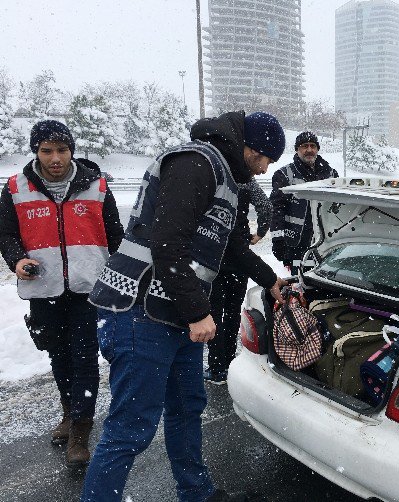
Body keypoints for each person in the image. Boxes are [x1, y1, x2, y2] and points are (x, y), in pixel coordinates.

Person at [82, 111, 287, 502]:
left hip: (174, 311)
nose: (262, 170)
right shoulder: (196, 162)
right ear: (249, 147)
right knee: (131, 428)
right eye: (263, 159)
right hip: (140, 308)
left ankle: (197, 493)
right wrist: (198, 312)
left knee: (186, 408)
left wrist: (270, 280)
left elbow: (232, 247)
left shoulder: (225, 179)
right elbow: (167, 244)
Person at [0, 120, 124, 467]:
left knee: (84, 359)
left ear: (72, 151)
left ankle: (81, 436)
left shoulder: (97, 186)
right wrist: (17, 259)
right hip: (44, 290)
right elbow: (6, 234)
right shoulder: (16, 188)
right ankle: (70, 414)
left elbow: (116, 235)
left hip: (89, 291)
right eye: (47, 150)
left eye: (62, 150)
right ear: (36, 152)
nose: (56, 158)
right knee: (58, 356)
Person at [205, 177, 272, 384]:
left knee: (215, 311)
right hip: (240, 255)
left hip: (214, 253)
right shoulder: (246, 181)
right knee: (233, 311)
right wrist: (260, 232)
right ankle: (228, 361)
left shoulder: (214, 175)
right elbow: (265, 206)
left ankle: (217, 368)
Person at [270, 131, 338, 275]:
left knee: (326, 281)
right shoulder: (284, 174)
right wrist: (278, 240)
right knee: (301, 279)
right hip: (297, 244)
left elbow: (338, 208)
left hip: (325, 242)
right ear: (297, 149)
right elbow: (276, 209)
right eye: (304, 146)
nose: (309, 150)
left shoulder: (331, 174)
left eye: (313, 146)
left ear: (317, 149)